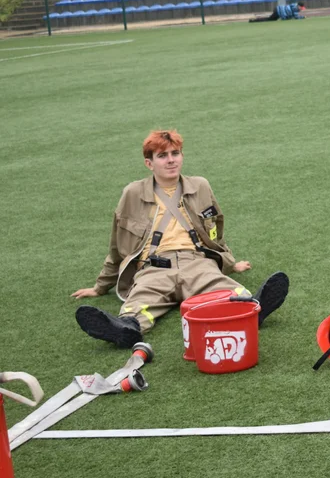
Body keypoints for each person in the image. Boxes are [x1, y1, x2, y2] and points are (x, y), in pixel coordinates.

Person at [72, 129, 289, 348]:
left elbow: (215, 232)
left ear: (182, 156)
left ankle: (253, 309)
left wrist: (231, 263)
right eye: (162, 156)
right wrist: (101, 287)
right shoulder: (132, 193)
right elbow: (117, 246)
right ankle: (125, 329)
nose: (170, 160)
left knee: (229, 291)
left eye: (175, 153)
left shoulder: (200, 186)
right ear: (149, 163)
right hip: (153, 267)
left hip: (196, 261)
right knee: (138, 303)